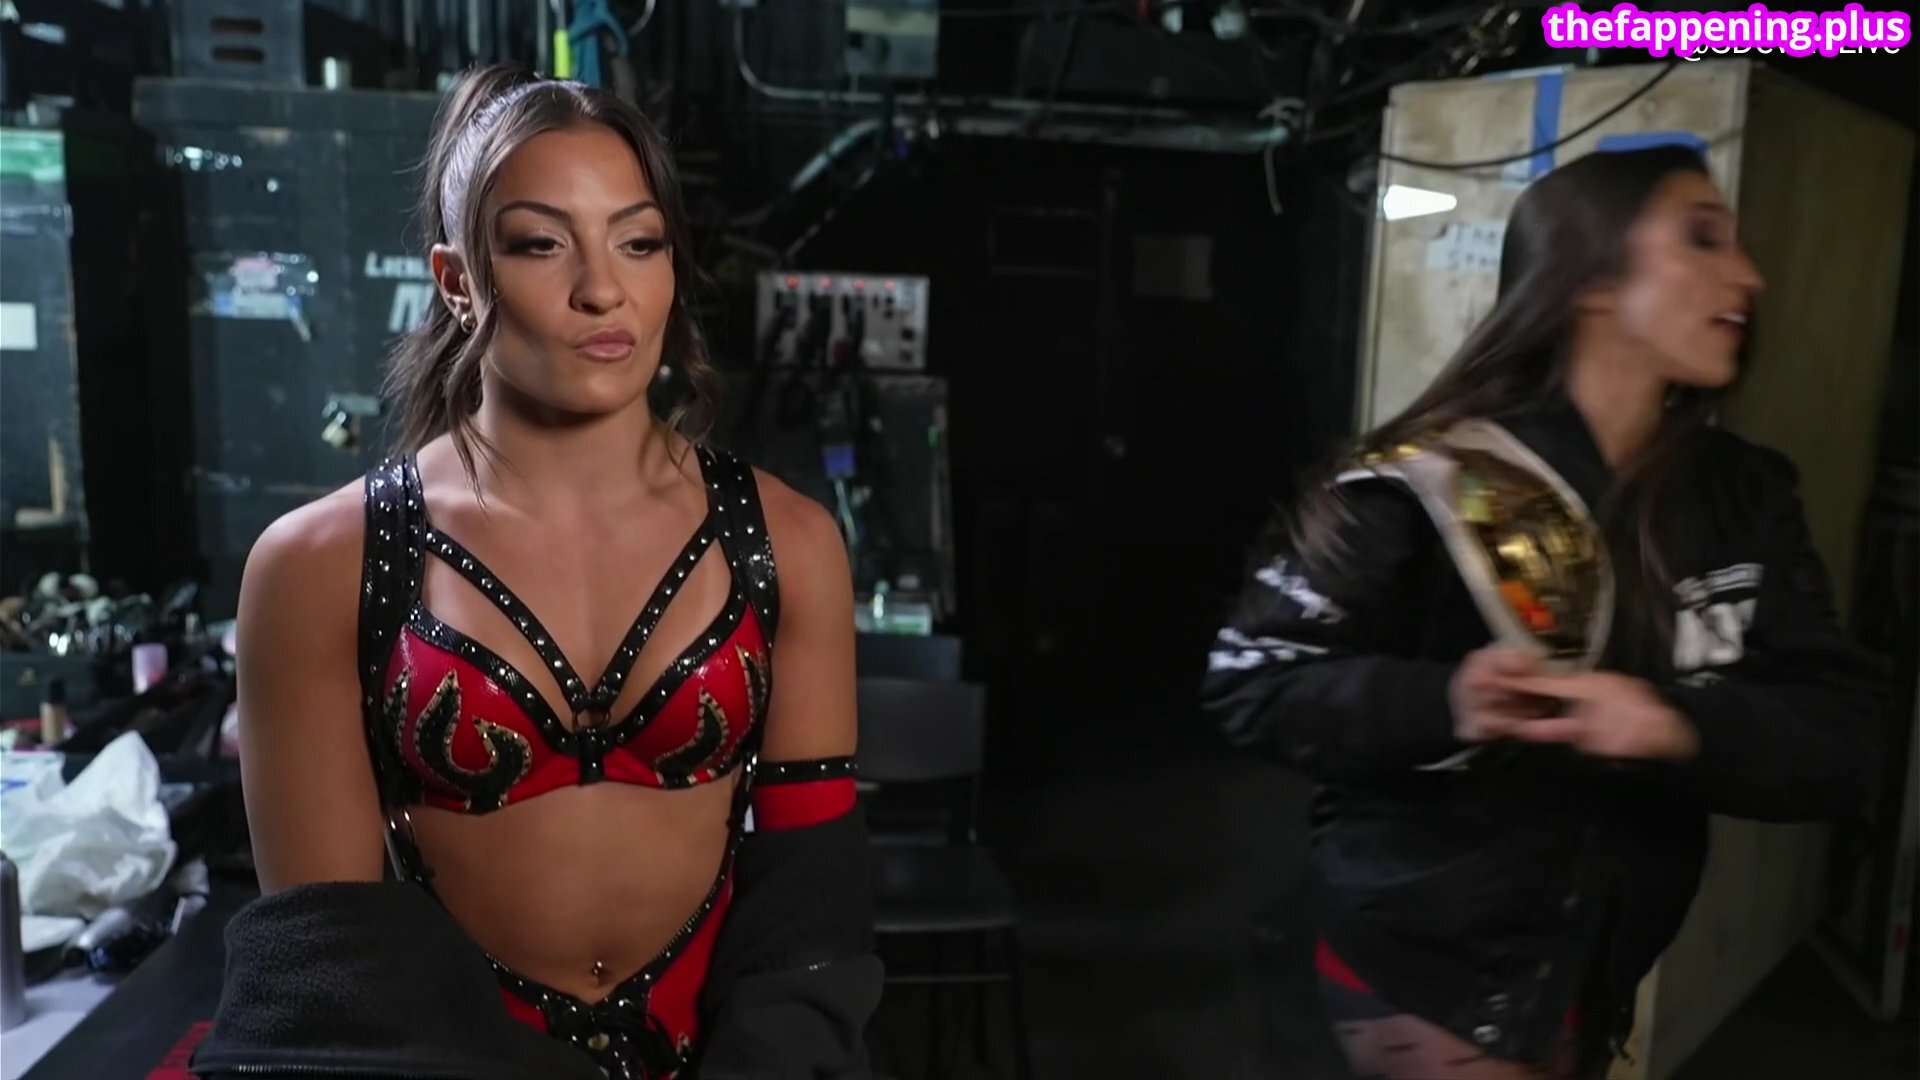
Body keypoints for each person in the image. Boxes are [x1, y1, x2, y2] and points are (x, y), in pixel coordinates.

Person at [202, 65, 881, 1080]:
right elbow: (331, 974)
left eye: (639, 242)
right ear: (456, 279)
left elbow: (810, 917)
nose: (603, 289)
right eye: (540, 243)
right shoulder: (320, 565)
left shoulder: (785, 542)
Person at [1202, 146, 1882, 1080]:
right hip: (1424, 968)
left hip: (1601, 968)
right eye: (1702, 238)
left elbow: (1843, 741)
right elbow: (1253, 681)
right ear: (1590, 277)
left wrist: (1675, 725)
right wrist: (1448, 702)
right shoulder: (1425, 481)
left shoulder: (1746, 496)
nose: (1750, 275)